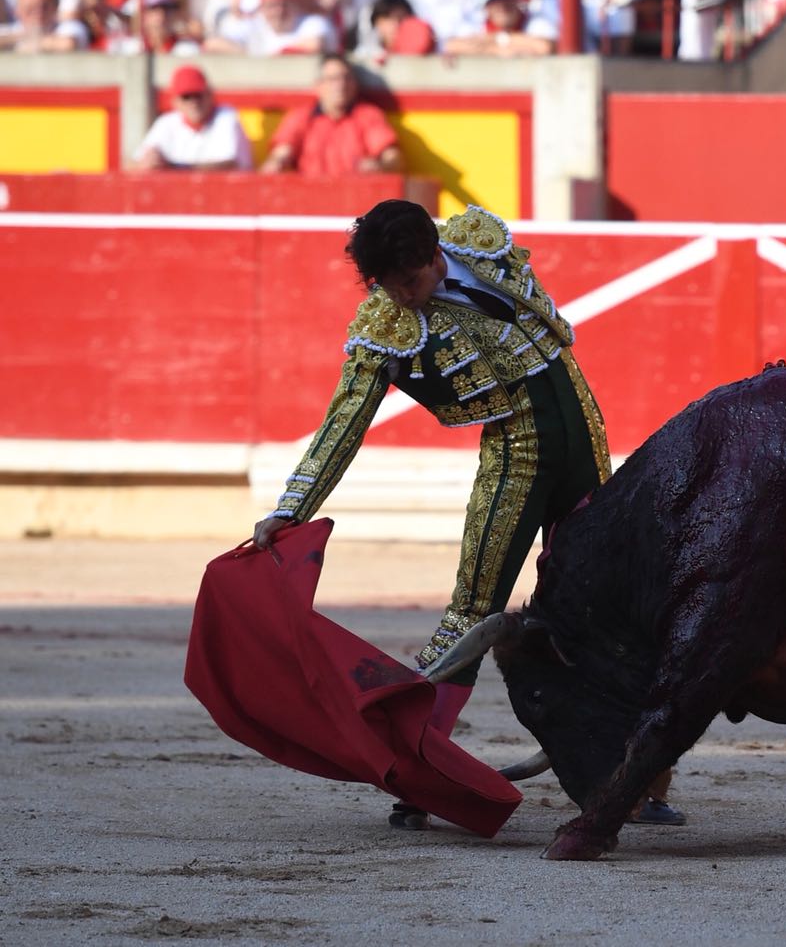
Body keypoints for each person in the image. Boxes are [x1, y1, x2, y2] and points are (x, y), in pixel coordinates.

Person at [249, 198, 682, 829]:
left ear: (434, 255)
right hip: (517, 454)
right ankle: (418, 776)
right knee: (474, 610)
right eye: (385, 287)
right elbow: (344, 421)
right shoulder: (386, 325)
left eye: (411, 281)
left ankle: (638, 780)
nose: (401, 298)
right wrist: (294, 507)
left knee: (613, 606)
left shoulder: (480, 242)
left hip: (584, 433)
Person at [261, 52, 403, 175]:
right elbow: (281, 153)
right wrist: (277, 163)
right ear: (318, 85)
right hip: (309, 198)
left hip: (358, 199)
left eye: (346, 78)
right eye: (333, 79)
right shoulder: (301, 117)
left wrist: (379, 167)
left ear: (355, 84)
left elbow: (393, 158)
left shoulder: (368, 115)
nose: (340, 85)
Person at [131, 64, 254, 171]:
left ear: (209, 94)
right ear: (175, 102)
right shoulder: (166, 123)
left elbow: (229, 165)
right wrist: (147, 163)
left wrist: (174, 168)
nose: (193, 102)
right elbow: (133, 164)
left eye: (197, 95)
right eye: (186, 97)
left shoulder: (226, 117)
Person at [206, 0, 335, 54]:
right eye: (272, 6)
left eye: (284, 4)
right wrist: (252, 57)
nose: (279, 11)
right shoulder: (254, 24)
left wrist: (276, 56)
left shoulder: (312, 22)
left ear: (295, 6)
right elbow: (213, 44)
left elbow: (315, 45)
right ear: (262, 9)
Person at [0, 0, 88, 53]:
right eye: (31, 8)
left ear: (54, 8)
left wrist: (25, 44)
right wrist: (23, 36)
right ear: (17, 10)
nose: (39, 12)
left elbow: (68, 45)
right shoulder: (8, 29)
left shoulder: (70, 26)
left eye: (44, 6)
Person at [369, 0, 437, 55]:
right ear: (376, 22)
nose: (396, 24)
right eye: (389, 19)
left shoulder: (428, 52)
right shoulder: (367, 55)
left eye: (401, 19)